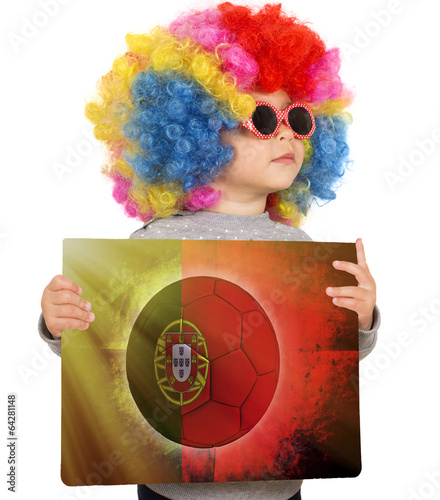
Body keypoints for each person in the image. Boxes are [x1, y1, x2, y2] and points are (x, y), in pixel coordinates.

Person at [39, 2, 380, 499]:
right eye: (261, 117)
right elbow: (104, 350)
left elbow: (331, 358)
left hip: (278, 487)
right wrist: (57, 323)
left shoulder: (302, 251)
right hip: (171, 485)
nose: (285, 131)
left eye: (297, 117)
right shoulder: (153, 246)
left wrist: (363, 318)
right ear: (195, 133)